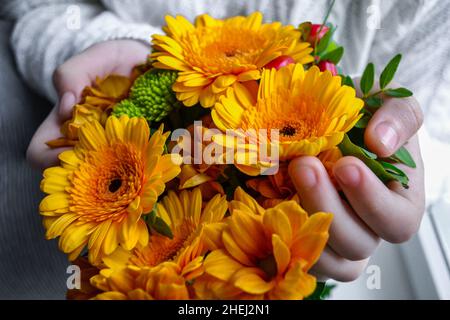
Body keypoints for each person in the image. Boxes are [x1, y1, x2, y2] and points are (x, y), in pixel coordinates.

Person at [4, 0, 448, 287]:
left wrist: (390, 157)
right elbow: (32, 6)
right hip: (56, 247)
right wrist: (114, 48)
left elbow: (437, 125)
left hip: (271, 257)